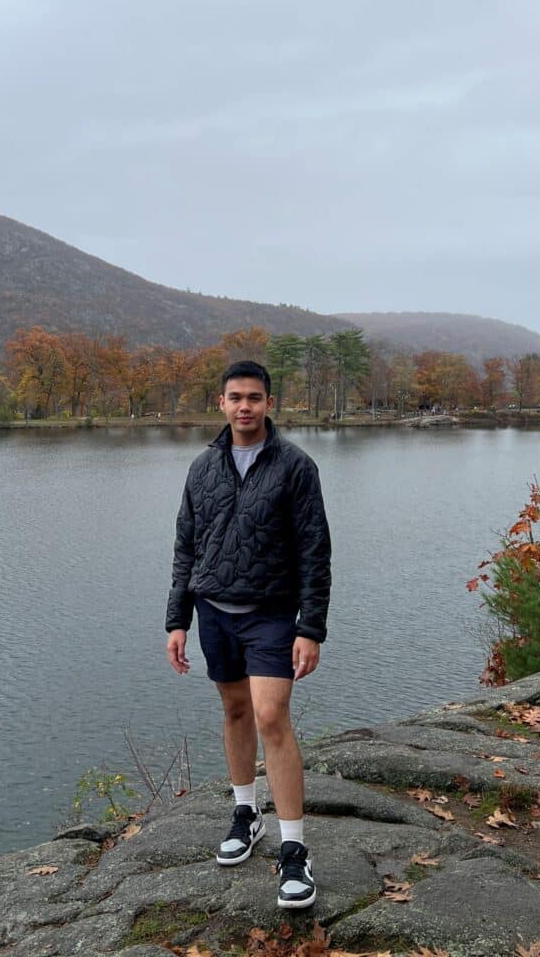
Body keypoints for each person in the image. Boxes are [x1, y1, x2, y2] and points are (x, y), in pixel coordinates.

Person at [166, 360, 331, 910]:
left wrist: (310, 627)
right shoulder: (202, 468)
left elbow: (315, 551)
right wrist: (177, 620)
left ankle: (294, 850)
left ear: (268, 404)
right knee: (236, 710)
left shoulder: (295, 467)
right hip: (213, 610)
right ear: (221, 403)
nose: (244, 406)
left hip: (272, 614)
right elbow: (186, 547)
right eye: (235, 397)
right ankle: (246, 813)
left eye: (254, 398)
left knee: (270, 716)